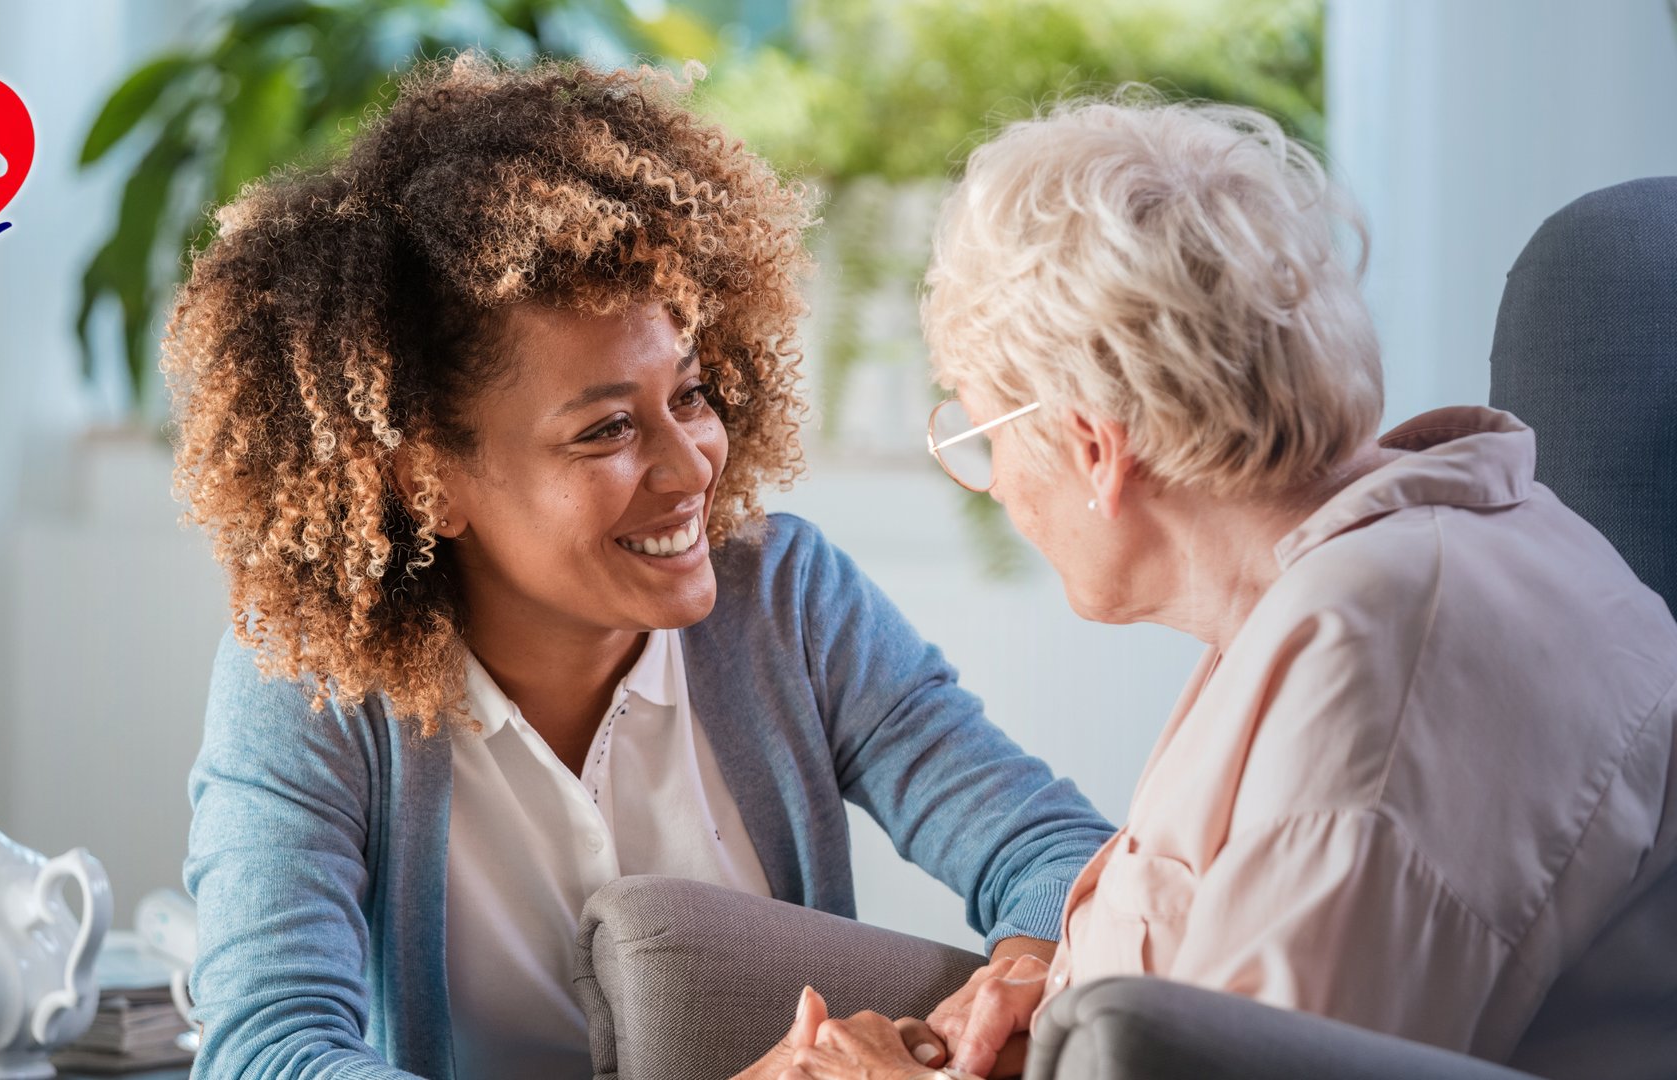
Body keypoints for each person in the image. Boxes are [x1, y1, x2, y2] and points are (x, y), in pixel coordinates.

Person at [164, 54, 1114, 1080]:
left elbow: (1057, 853)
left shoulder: (786, 603)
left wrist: (1010, 987)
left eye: (692, 396)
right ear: (425, 480)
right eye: (608, 428)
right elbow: (268, 1049)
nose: (689, 463)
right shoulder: (312, 683)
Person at [776, 92, 1677, 1080]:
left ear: (1092, 449)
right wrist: (1069, 1000)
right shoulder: (1358, 581)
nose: (997, 490)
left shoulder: (1373, 664)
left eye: (984, 439)